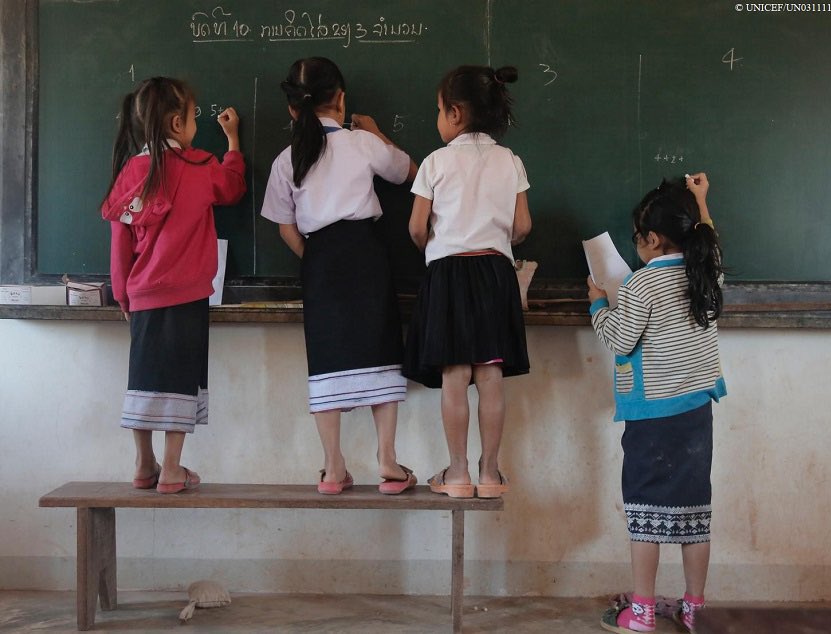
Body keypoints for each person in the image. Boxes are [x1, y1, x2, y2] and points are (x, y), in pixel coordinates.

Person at [260, 57, 419, 495]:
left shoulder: (286, 160)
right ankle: (387, 460)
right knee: (381, 349)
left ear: (292, 108)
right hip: (367, 254)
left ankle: (332, 467)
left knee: (326, 357)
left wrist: (316, 258)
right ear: (341, 99)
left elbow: (285, 228)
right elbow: (410, 172)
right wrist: (378, 133)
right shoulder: (361, 143)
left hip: (320, 259)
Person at [589, 173, 726, 633]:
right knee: (695, 515)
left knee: (645, 513)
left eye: (637, 237)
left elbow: (621, 340)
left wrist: (597, 306)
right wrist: (701, 201)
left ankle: (643, 610)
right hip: (697, 414)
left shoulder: (641, 284)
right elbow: (711, 243)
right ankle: (695, 609)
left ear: (651, 238)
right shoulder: (706, 272)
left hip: (652, 418)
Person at [101, 77, 246, 494]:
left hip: (143, 295)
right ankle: (171, 468)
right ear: (177, 124)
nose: (196, 124)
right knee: (180, 379)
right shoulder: (200, 166)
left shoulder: (130, 171)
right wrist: (233, 143)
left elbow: (119, 241)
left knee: (144, 378)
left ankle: (143, 463)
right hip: (187, 294)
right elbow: (233, 188)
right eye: (193, 117)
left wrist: (122, 293)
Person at [404, 64, 532, 499]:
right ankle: (490, 474)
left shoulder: (434, 162)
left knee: (455, 374)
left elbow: (416, 227)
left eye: (439, 109)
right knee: (490, 374)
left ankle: (457, 473)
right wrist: (498, 238)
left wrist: (434, 245)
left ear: (455, 113)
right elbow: (523, 226)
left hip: (449, 272)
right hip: (495, 272)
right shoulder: (510, 160)